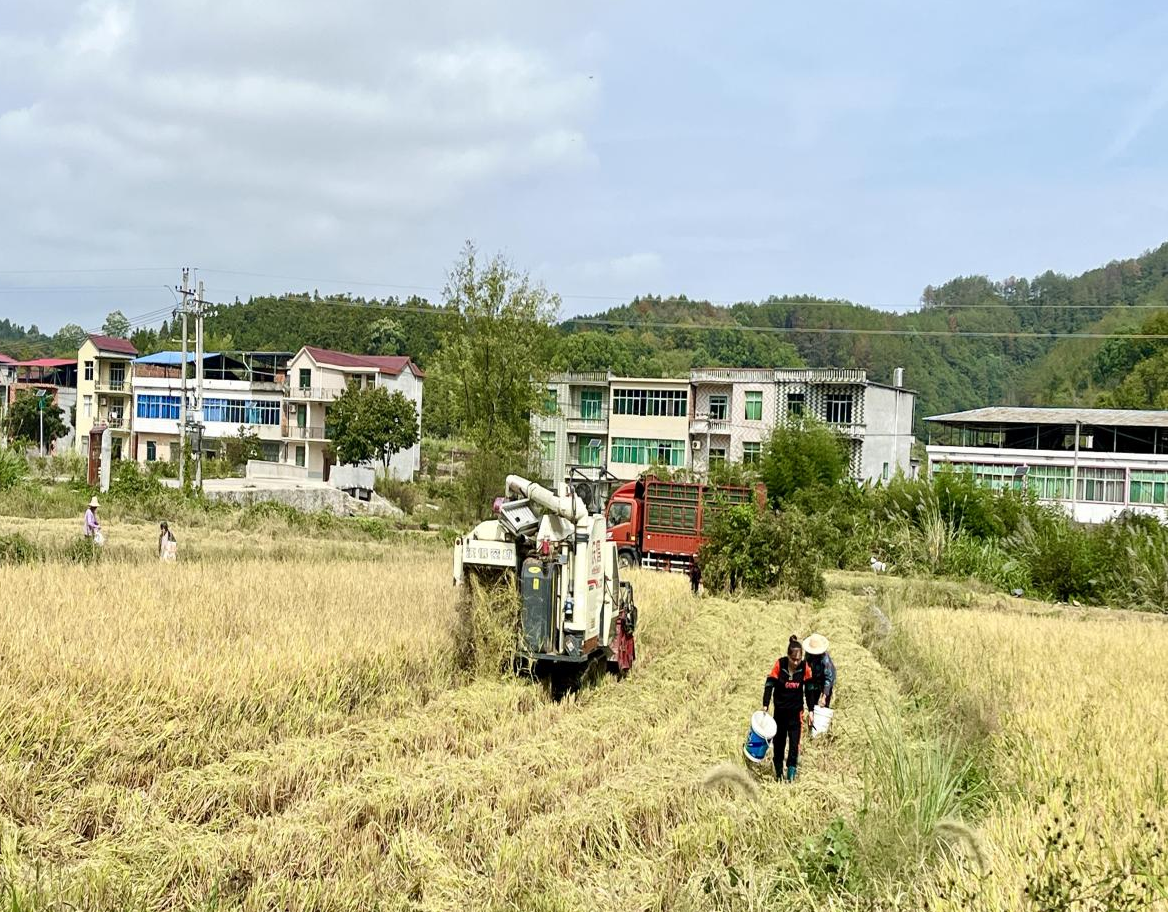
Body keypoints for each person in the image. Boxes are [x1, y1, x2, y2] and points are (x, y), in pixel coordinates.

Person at [762, 635, 812, 782]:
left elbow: (809, 689)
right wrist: (765, 704)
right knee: (779, 743)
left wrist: (812, 710)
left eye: (799, 659)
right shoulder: (780, 664)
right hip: (780, 713)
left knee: (794, 744)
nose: (796, 662)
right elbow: (769, 683)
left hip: (796, 714)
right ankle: (778, 773)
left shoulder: (805, 667)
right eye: (793, 659)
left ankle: (791, 774)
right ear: (788, 656)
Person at [803, 633, 836, 727]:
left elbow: (828, 679)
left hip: (826, 679)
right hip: (814, 678)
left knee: (823, 705)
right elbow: (807, 678)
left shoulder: (825, 661)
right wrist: (811, 709)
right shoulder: (808, 656)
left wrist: (824, 696)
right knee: (813, 698)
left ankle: (822, 726)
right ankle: (812, 718)